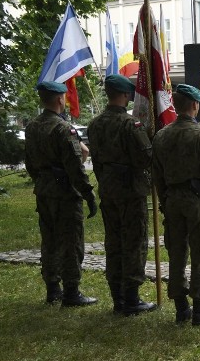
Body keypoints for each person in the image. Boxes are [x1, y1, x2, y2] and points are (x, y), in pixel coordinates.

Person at [152, 84, 200, 325]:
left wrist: (165, 200)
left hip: (173, 201)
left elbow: (158, 176)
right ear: (194, 105)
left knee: (176, 254)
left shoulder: (161, 136)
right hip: (197, 202)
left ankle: (182, 309)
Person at [24, 81, 98, 307]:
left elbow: (29, 164)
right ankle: (72, 292)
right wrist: (88, 194)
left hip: (44, 191)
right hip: (65, 192)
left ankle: (52, 288)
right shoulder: (63, 129)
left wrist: (42, 180)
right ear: (59, 99)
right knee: (71, 241)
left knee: (50, 240)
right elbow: (75, 167)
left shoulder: (32, 126)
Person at [87, 74, 156, 316]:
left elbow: (94, 159)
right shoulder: (130, 125)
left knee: (113, 243)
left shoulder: (94, 124)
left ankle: (117, 298)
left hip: (108, 190)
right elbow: (145, 158)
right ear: (126, 95)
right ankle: (132, 299)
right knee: (134, 242)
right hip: (131, 191)